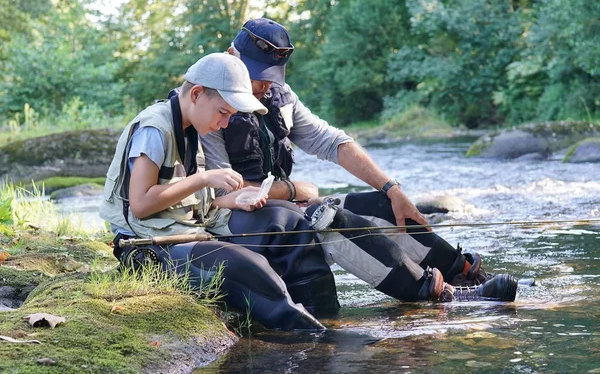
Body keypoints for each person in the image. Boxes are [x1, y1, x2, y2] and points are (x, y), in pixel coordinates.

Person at [196, 18, 519, 301]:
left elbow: (334, 142)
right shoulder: (211, 105)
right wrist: (292, 191)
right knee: (327, 219)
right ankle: (440, 295)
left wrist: (393, 189)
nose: (263, 85)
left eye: (270, 77)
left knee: (382, 204)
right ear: (230, 56)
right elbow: (226, 192)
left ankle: (467, 273)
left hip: (285, 206)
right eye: (256, 75)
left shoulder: (281, 97)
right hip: (243, 222)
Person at [99, 53, 338, 331]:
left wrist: (230, 200)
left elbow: (183, 202)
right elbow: (140, 205)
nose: (225, 124)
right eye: (223, 113)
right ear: (197, 94)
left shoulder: (192, 126)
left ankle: (330, 319)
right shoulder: (153, 129)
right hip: (148, 245)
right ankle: (313, 336)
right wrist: (205, 179)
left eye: (231, 116)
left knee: (288, 222)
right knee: (246, 265)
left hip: (189, 226)